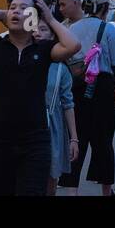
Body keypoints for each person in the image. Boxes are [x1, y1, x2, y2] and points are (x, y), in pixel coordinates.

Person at [0, 0, 80, 196]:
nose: (16, 11)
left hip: (35, 143)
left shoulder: (44, 49)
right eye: (13, 7)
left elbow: (73, 45)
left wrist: (50, 18)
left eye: (23, 8)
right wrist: (6, 14)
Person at [58, 0, 115, 196]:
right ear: (104, 7)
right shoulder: (108, 29)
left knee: (77, 139)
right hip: (103, 88)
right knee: (103, 141)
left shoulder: (72, 29)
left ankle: (71, 191)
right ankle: (106, 191)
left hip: (77, 87)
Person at [34, 16, 77, 196]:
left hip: (52, 127)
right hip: (27, 124)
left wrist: (74, 138)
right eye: (34, 28)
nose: (37, 33)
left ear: (53, 36)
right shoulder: (23, 58)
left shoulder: (60, 69)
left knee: (50, 179)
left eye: (43, 29)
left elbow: (68, 103)